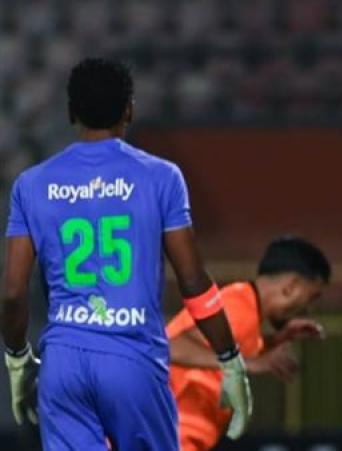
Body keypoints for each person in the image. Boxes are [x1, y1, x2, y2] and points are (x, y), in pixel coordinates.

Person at [1, 58, 252, 451]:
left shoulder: (31, 185)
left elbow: (13, 293)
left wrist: (17, 359)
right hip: (133, 361)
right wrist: (230, 358)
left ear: (70, 112)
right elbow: (192, 281)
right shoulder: (161, 177)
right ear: (129, 110)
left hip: (63, 364)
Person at [167, 236, 330, 451]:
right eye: (311, 297)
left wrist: (275, 341)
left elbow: (223, 350)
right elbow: (171, 347)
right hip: (170, 436)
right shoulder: (238, 308)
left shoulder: (246, 308)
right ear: (291, 286)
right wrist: (251, 363)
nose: (308, 309)